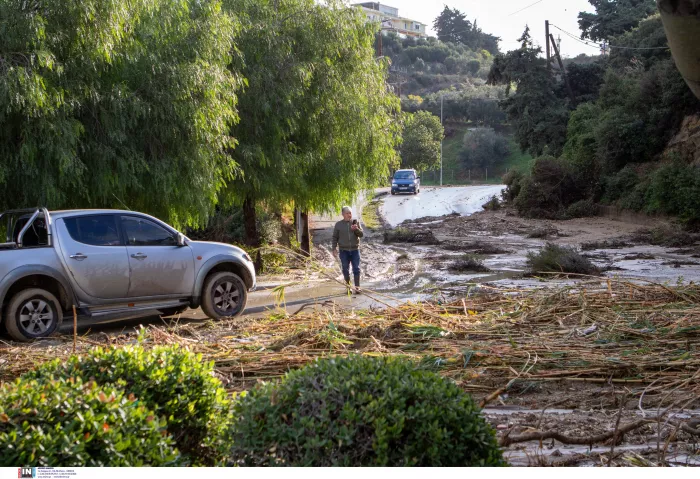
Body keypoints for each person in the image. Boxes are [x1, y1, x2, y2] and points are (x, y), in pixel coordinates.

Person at [332, 206, 364, 293]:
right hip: (343, 251)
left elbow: (361, 234)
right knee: (345, 269)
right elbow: (335, 237)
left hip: (355, 250)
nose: (349, 215)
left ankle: (357, 287)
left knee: (356, 269)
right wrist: (334, 248)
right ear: (343, 214)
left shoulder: (355, 223)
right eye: (347, 213)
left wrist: (356, 229)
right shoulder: (338, 225)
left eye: (350, 213)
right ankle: (348, 287)